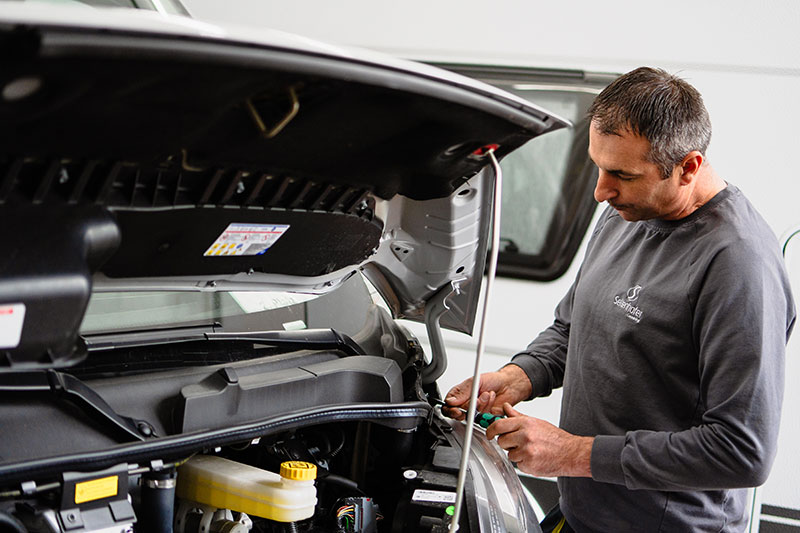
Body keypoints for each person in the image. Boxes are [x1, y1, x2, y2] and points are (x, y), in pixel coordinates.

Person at [445, 67, 796, 532]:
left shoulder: (738, 264)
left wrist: (571, 454)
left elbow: (740, 450)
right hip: (582, 512)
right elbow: (573, 327)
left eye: (621, 174)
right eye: (598, 166)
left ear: (688, 167)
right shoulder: (626, 211)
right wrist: (519, 376)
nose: (600, 191)